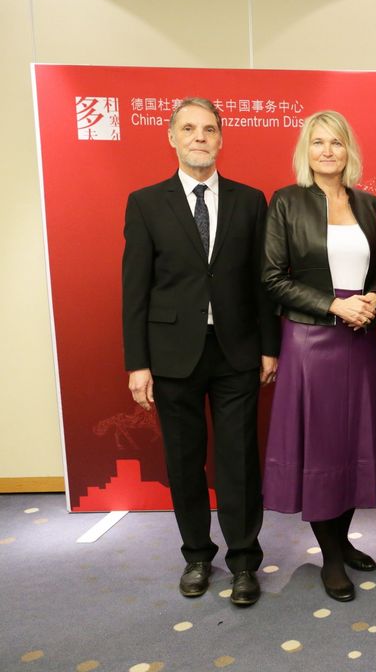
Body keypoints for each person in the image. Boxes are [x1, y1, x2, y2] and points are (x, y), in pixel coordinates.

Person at [122, 97, 279, 606]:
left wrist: (269, 348)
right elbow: (135, 289)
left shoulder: (250, 200)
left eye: (209, 129)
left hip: (236, 351)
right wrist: (137, 363)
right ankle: (195, 555)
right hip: (171, 355)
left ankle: (242, 562)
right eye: (188, 129)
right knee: (184, 460)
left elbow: (263, 282)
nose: (199, 137)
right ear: (171, 136)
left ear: (221, 138)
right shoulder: (146, 202)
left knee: (238, 460)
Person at [262, 110, 376, 602]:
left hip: (360, 340)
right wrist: (332, 304)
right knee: (322, 449)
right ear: (307, 150)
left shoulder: (368, 204)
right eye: (318, 142)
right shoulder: (286, 201)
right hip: (311, 343)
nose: (327, 151)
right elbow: (272, 277)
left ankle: (342, 540)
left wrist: (373, 300)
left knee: (352, 445)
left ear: (349, 151)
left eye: (336, 143)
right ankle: (331, 558)